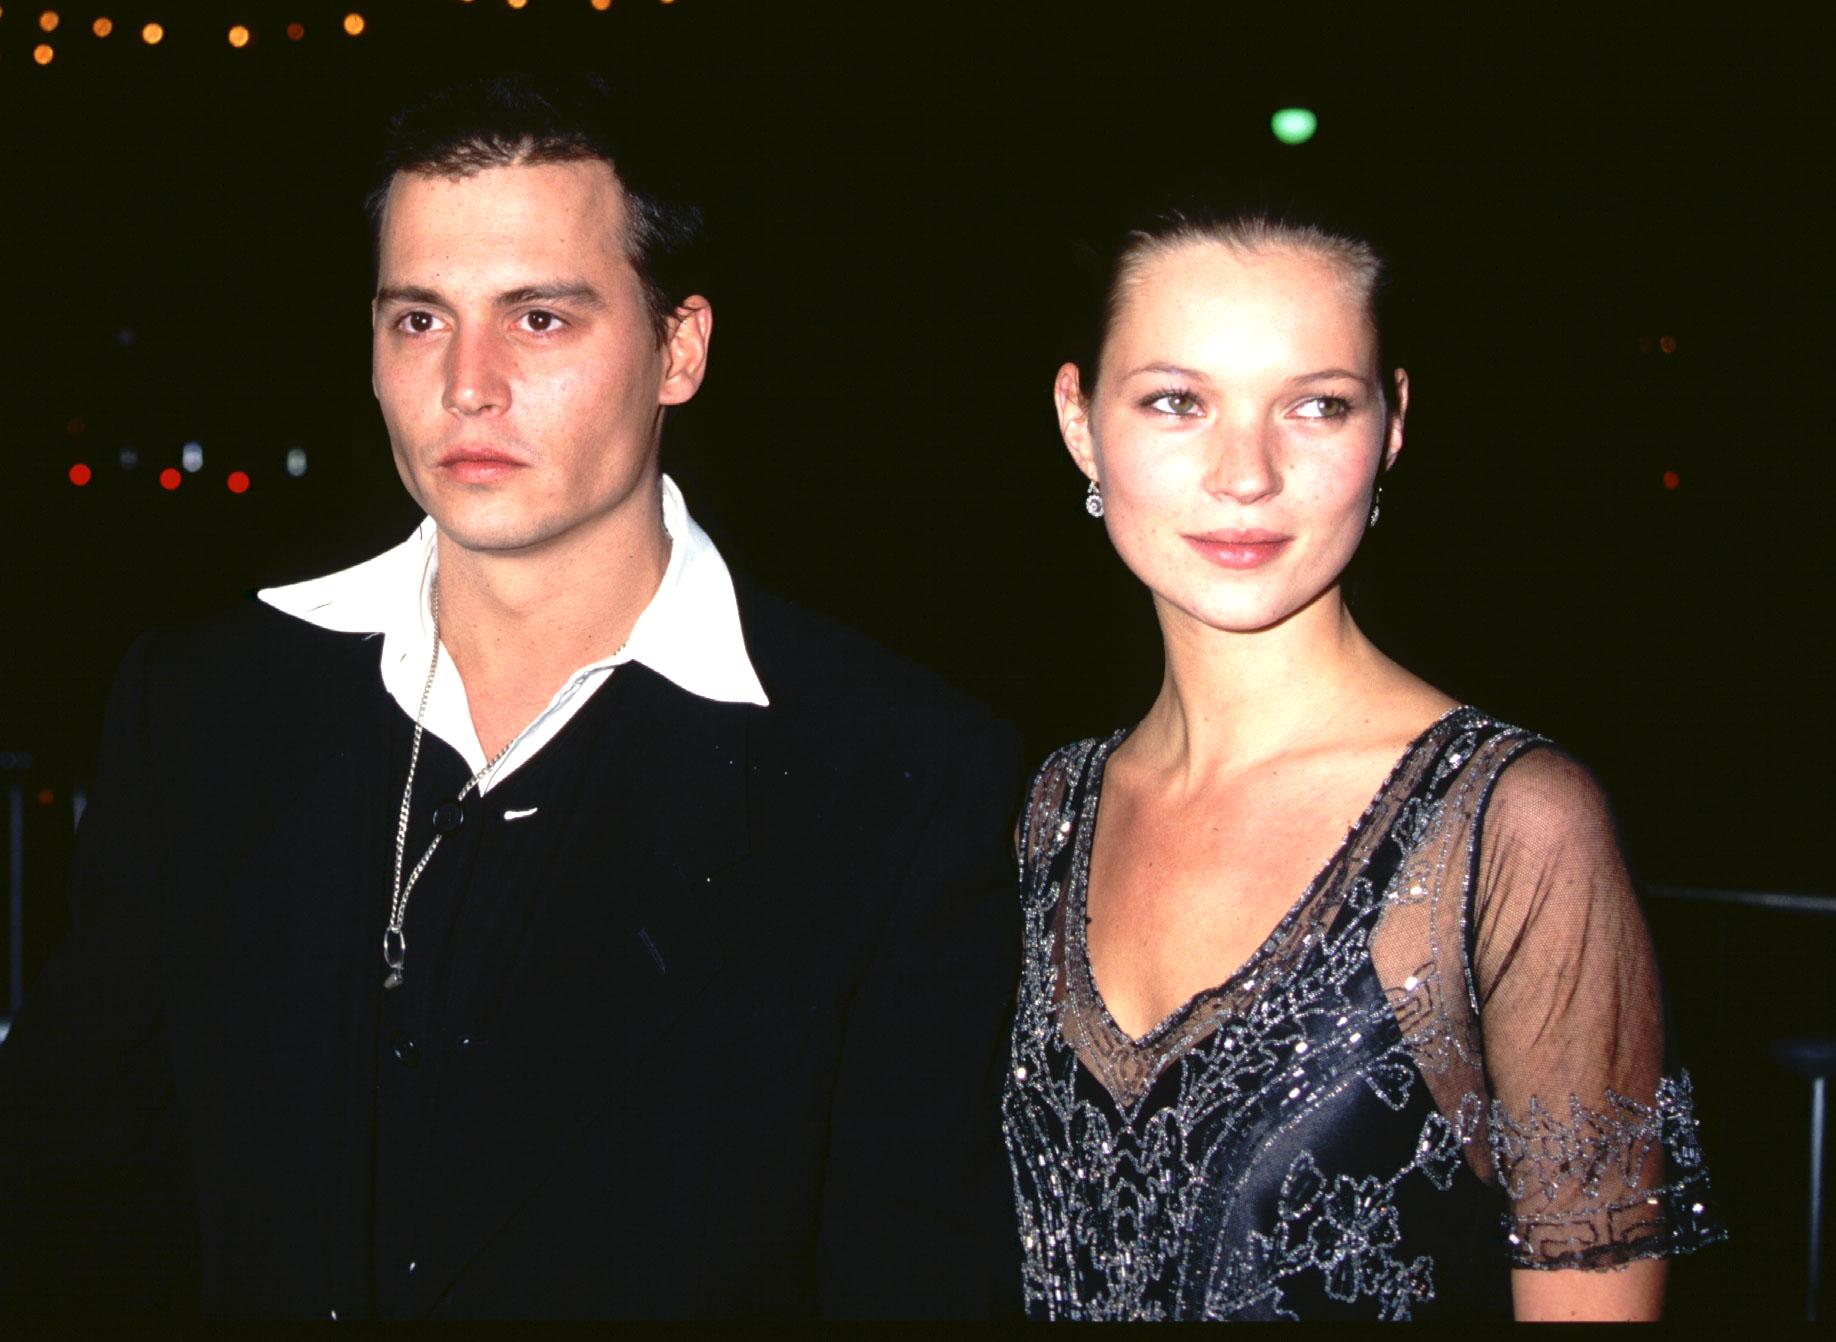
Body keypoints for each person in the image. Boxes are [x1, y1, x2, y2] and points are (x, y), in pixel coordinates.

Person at [0, 72, 1023, 1320]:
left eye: (539, 320)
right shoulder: (204, 711)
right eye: (419, 321)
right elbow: (76, 1199)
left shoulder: (897, 777)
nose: (466, 386)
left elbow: (909, 1279)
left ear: (678, 349)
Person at [1000, 204, 1724, 1322]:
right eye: (1177, 401)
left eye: (1317, 404)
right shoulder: (1050, 810)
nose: (1247, 472)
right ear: (1080, 422)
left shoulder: (1511, 827)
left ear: (1390, 429)